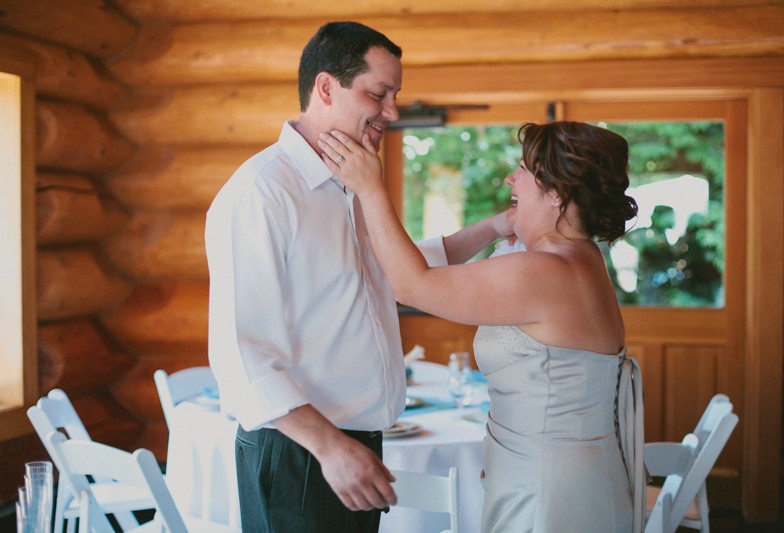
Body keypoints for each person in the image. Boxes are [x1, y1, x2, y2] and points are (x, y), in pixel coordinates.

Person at [204, 21, 512, 533]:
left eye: (395, 95)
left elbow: (402, 269)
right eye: (378, 94)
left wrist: (498, 226)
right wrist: (330, 447)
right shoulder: (260, 193)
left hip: (357, 444)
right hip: (302, 451)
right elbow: (240, 356)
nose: (391, 112)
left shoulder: (353, 182)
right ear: (325, 88)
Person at [318, 120, 647, 532]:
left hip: (550, 489)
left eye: (524, 169)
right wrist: (495, 226)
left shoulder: (545, 271)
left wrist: (370, 190)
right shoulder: (580, 258)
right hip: (559, 473)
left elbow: (410, 285)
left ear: (558, 194)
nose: (512, 177)